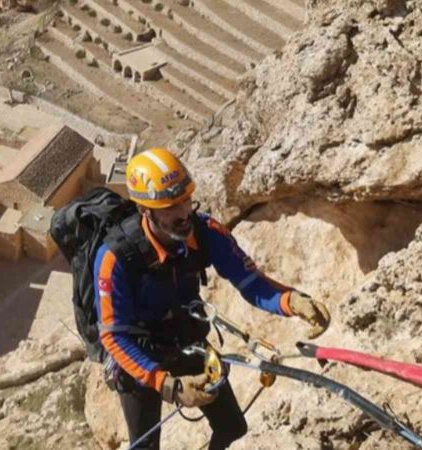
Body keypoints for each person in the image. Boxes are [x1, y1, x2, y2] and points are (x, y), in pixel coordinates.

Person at [92, 147, 331, 449]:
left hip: (186, 342)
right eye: (170, 207)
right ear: (145, 211)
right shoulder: (116, 257)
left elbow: (251, 282)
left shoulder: (204, 232)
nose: (182, 213)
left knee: (232, 427)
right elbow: (113, 336)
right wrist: (166, 384)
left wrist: (292, 301)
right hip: (140, 356)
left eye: (185, 201)